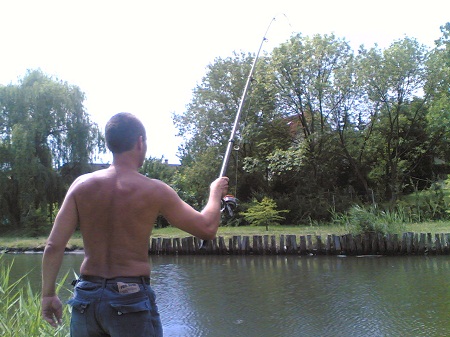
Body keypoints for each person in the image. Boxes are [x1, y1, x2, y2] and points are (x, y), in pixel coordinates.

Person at [41, 112, 229, 337]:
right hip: (130, 298)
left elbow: (54, 245)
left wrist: (48, 295)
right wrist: (215, 193)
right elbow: (207, 228)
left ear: (110, 144)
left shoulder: (81, 186)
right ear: (140, 142)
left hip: (86, 299)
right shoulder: (154, 189)